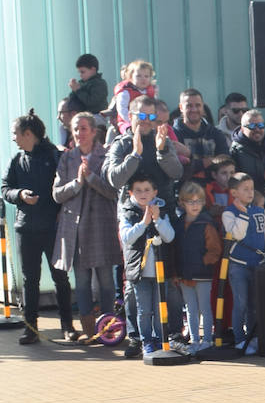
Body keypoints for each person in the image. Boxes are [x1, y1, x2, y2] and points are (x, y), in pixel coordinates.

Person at [4, 110, 74, 344]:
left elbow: (66, 189)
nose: (13, 138)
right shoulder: (16, 160)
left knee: (60, 277)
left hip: (52, 228)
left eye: (15, 133)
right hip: (26, 228)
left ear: (28, 133)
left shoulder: (54, 156)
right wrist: (20, 195)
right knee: (29, 280)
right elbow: (4, 188)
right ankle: (30, 328)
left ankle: (68, 326)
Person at [52, 111, 120, 342]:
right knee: (81, 282)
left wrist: (91, 177)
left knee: (106, 281)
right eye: (75, 129)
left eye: (83, 128)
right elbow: (57, 194)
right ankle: (89, 330)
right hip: (76, 229)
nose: (79, 133)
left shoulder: (106, 155)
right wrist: (77, 183)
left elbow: (113, 192)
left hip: (101, 226)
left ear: (93, 131)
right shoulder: (67, 158)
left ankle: (108, 327)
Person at [118, 171, 176, 359]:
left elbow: (169, 236)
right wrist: (144, 223)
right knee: (144, 310)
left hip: (160, 272)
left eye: (147, 190)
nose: (143, 193)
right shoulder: (128, 213)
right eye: (138, 190)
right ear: (131, 193)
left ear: (154, 192)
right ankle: (146, 341)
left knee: (160, 309)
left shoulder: (162, 211)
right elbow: (127, 238)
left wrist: (157, 220)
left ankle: (161, 339)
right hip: (140, 273)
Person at [221, 170, 265, 353]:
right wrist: (244, 215)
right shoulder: (228, 213)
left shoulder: (260, 211)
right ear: (233, 193)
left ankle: (253, 338)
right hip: (238, 265)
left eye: (252, 189)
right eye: (245, 189)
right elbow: (237, 234)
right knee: (241, 303)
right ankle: (240, 339)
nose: (250, 193)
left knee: (255, 304)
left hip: (259, 265)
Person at [175, 182, 222, 353]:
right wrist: (177, 272)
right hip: (184, 275)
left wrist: (203, 263)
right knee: (190, 309)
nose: (194, 205)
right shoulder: (179, 224)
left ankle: (207, 340)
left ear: (203, 203)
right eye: (190, 201)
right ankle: (195, 341)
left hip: (203, 275)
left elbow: (215, 250)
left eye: (198, 201)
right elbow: (176, 249)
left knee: (205, 308)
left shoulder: (206, 224)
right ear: (182, 203)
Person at [173, 88, 230, 181]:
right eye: (189, 106)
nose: (194, 109)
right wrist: (206, 162)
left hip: (214, 189)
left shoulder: (216, 133)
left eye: (198, 105)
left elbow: (226, 162)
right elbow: (178, 169)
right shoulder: (174, 134)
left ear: (203, 107)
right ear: (181, 107)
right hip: (186, 190)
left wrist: (195, 163)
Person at [112, 60, 157, 135]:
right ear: (130, 77)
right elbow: (122, 109)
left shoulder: (150, 92)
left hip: (147, 120)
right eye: (138, 76)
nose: (143, 79)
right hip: (126, 121)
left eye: (146, 76)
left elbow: (155, 108)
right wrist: (131, 121)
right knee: (129, 131)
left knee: (164, 128)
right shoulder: (126, 92)